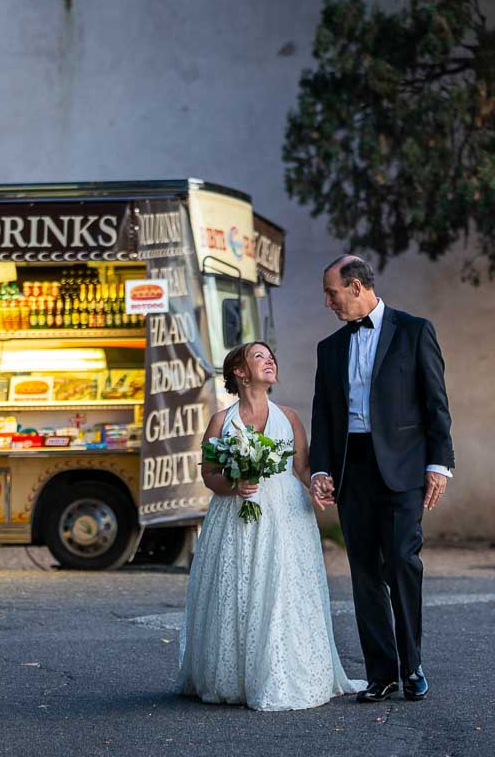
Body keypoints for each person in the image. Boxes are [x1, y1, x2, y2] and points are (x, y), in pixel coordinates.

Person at [176, 341, 365, 711]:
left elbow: (302, 467)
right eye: (259, 356)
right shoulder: (221, 421)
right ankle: (235, 676)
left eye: (271, 356)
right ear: (240, 372)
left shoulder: (289, 418)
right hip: (234, 516)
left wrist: (318, 483)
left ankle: (283, 671)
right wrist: (234, 486)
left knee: (282, 590)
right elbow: (210, 475)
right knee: (238, 588)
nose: (270, 361)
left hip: (287, 515)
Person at [310, 256, 454, 703]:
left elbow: (436, 403)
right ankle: (381, 674)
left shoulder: (414, 331)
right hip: (353, 470)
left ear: (355, 287)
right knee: (365, 574)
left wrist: (439, 463)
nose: (328, 303)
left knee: (402, 562)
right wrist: (321, 468)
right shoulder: (329, 348)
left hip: (404, 469)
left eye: (332, 293)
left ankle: (412, 666)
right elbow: (324, 414)